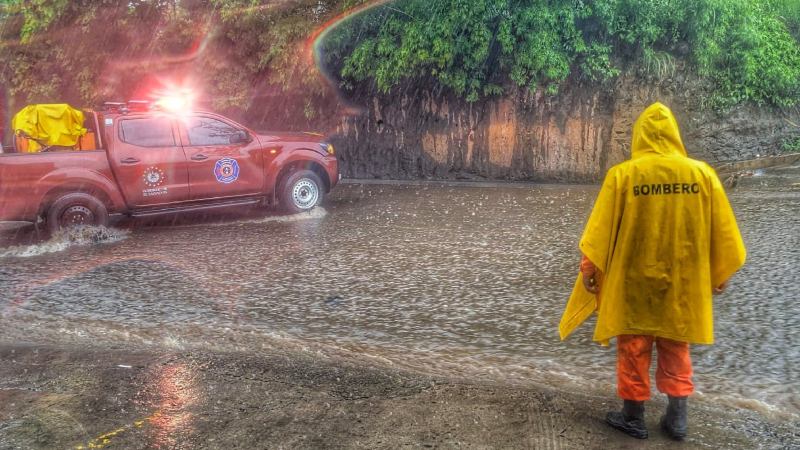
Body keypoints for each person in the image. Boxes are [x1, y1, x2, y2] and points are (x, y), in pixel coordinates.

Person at [558, 102, 746, 440]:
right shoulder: (702, 175)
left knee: (634, 348)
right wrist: (720, 274)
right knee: (677, 347)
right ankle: (677, 420)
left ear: (640, 135)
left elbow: (599, 234)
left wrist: (589, 270)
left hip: (633, 283)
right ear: (674, 133)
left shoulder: (624, 175)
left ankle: (633, 417)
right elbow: (724, 233)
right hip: (682, 284)